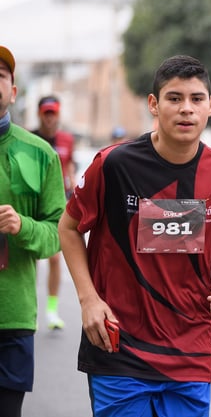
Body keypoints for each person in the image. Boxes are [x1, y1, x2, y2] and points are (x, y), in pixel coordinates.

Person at [57, 55, 211, 417]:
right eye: (174, 98)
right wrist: (88, 300)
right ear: (153, 105)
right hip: (119, 346)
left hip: (191, 348)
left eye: (196, 99)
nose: (186, 109)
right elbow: (68, 228)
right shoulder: (113, 164)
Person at [0, 45, 64, 417]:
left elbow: (57, 233)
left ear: (13, 91)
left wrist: (21, 226)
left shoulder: (41, 154)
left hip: (12, 318)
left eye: (1, 76)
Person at [31, 95, 75, 330]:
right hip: (33, 203)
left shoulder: (67, 139)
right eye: (46, 113)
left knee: (55, 257)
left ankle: (51, 310)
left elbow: (69, 166)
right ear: (39, 114)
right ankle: (32, 309)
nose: (50, 118)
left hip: (58, 203)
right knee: (32, 257)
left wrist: (72, 187)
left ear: (58, 114)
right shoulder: (30, 138)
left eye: (53, 113)